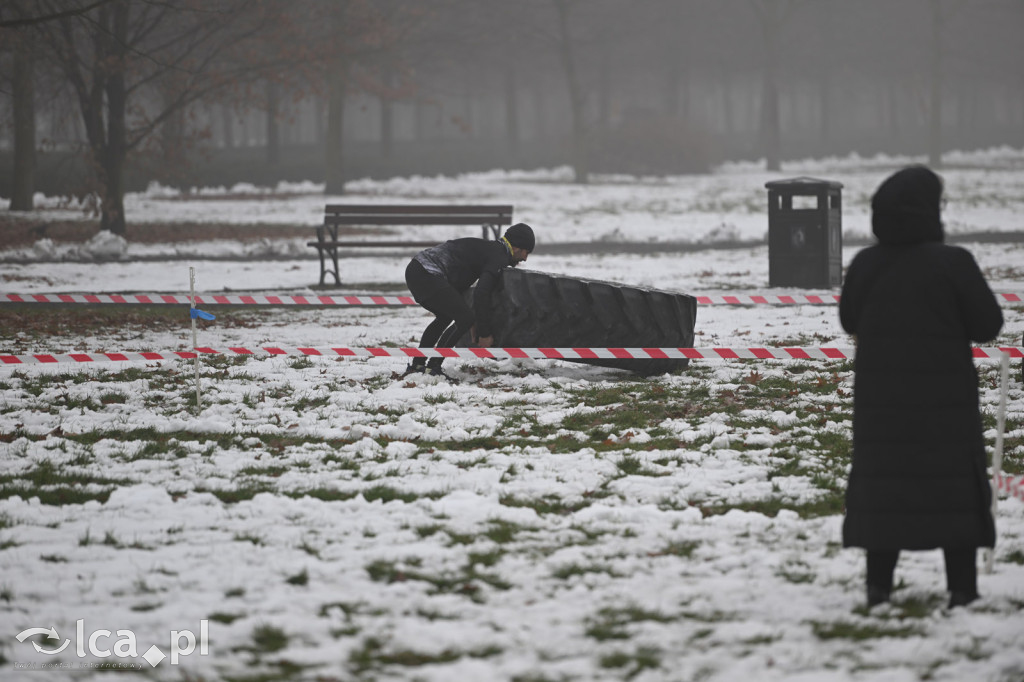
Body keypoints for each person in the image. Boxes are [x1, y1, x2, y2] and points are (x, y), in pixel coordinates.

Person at [839, 165, 1003, 609]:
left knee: (885, 489)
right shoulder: (954, 264)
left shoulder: (866, 264)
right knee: (952, 492)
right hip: (945, 406)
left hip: (882, 407)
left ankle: (878, 588)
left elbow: (849, 320)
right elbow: (989, 325)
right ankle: (962, 590)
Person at [403, 222, 535, 381]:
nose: (525, 258)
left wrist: (473, 323)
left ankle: (418, 365)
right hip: (427, 273)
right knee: (463, 318)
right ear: (517, 248)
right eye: (526, 252)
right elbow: (481, 293)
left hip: (416, 270)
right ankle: (433, 367)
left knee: (446, 317)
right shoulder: (498, 258)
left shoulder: (491, 250)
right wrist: (484, 333)